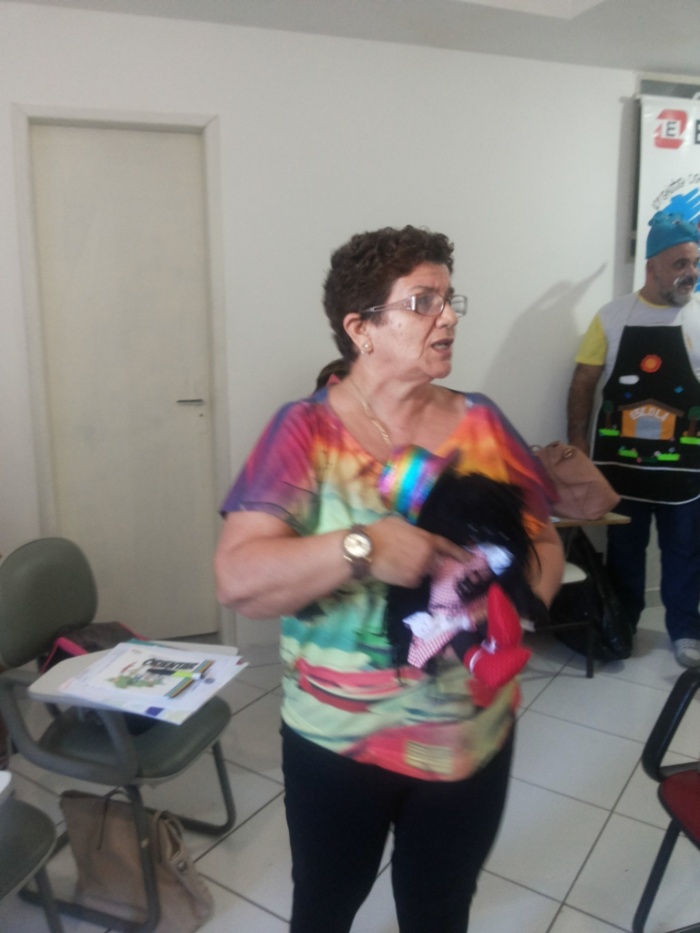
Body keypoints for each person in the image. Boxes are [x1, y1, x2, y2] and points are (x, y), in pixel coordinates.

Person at [215, 225, 564, 933]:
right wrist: (363, 545)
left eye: (449, 298)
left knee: (439, 910)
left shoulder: (483, 423)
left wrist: (511, 601)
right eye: (422, 301)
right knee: (325, 906)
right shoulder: (304, 431)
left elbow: (545, 539)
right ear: (361, 328)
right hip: (338, 741)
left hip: (470, 736)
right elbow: (239, 578)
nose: (449, 316)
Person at [566, 211, 700, 668]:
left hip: (687, 467)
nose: (691, 273)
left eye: (695, 263)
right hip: (621, 466)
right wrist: (577, 443)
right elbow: (584, 382)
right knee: (624, 550)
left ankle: (686, 630)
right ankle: (621, 626)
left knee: (686, 550)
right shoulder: (612, 316)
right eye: (680, 263)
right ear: (652, 267)